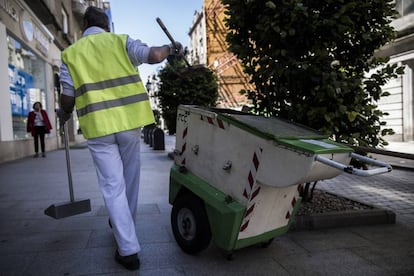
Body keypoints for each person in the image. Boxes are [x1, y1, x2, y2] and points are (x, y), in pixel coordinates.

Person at [58, 6, 183, 271]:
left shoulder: (70, 54)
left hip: (99, 128)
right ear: (106, 25)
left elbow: (67, 98)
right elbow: (155, 55)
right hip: (128, 124)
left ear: (84, 25)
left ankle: (127, 248)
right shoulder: (121, 41)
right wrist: (171, 49)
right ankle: (123, 226)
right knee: (130, 180)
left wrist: (64, 114)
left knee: (112, 186)